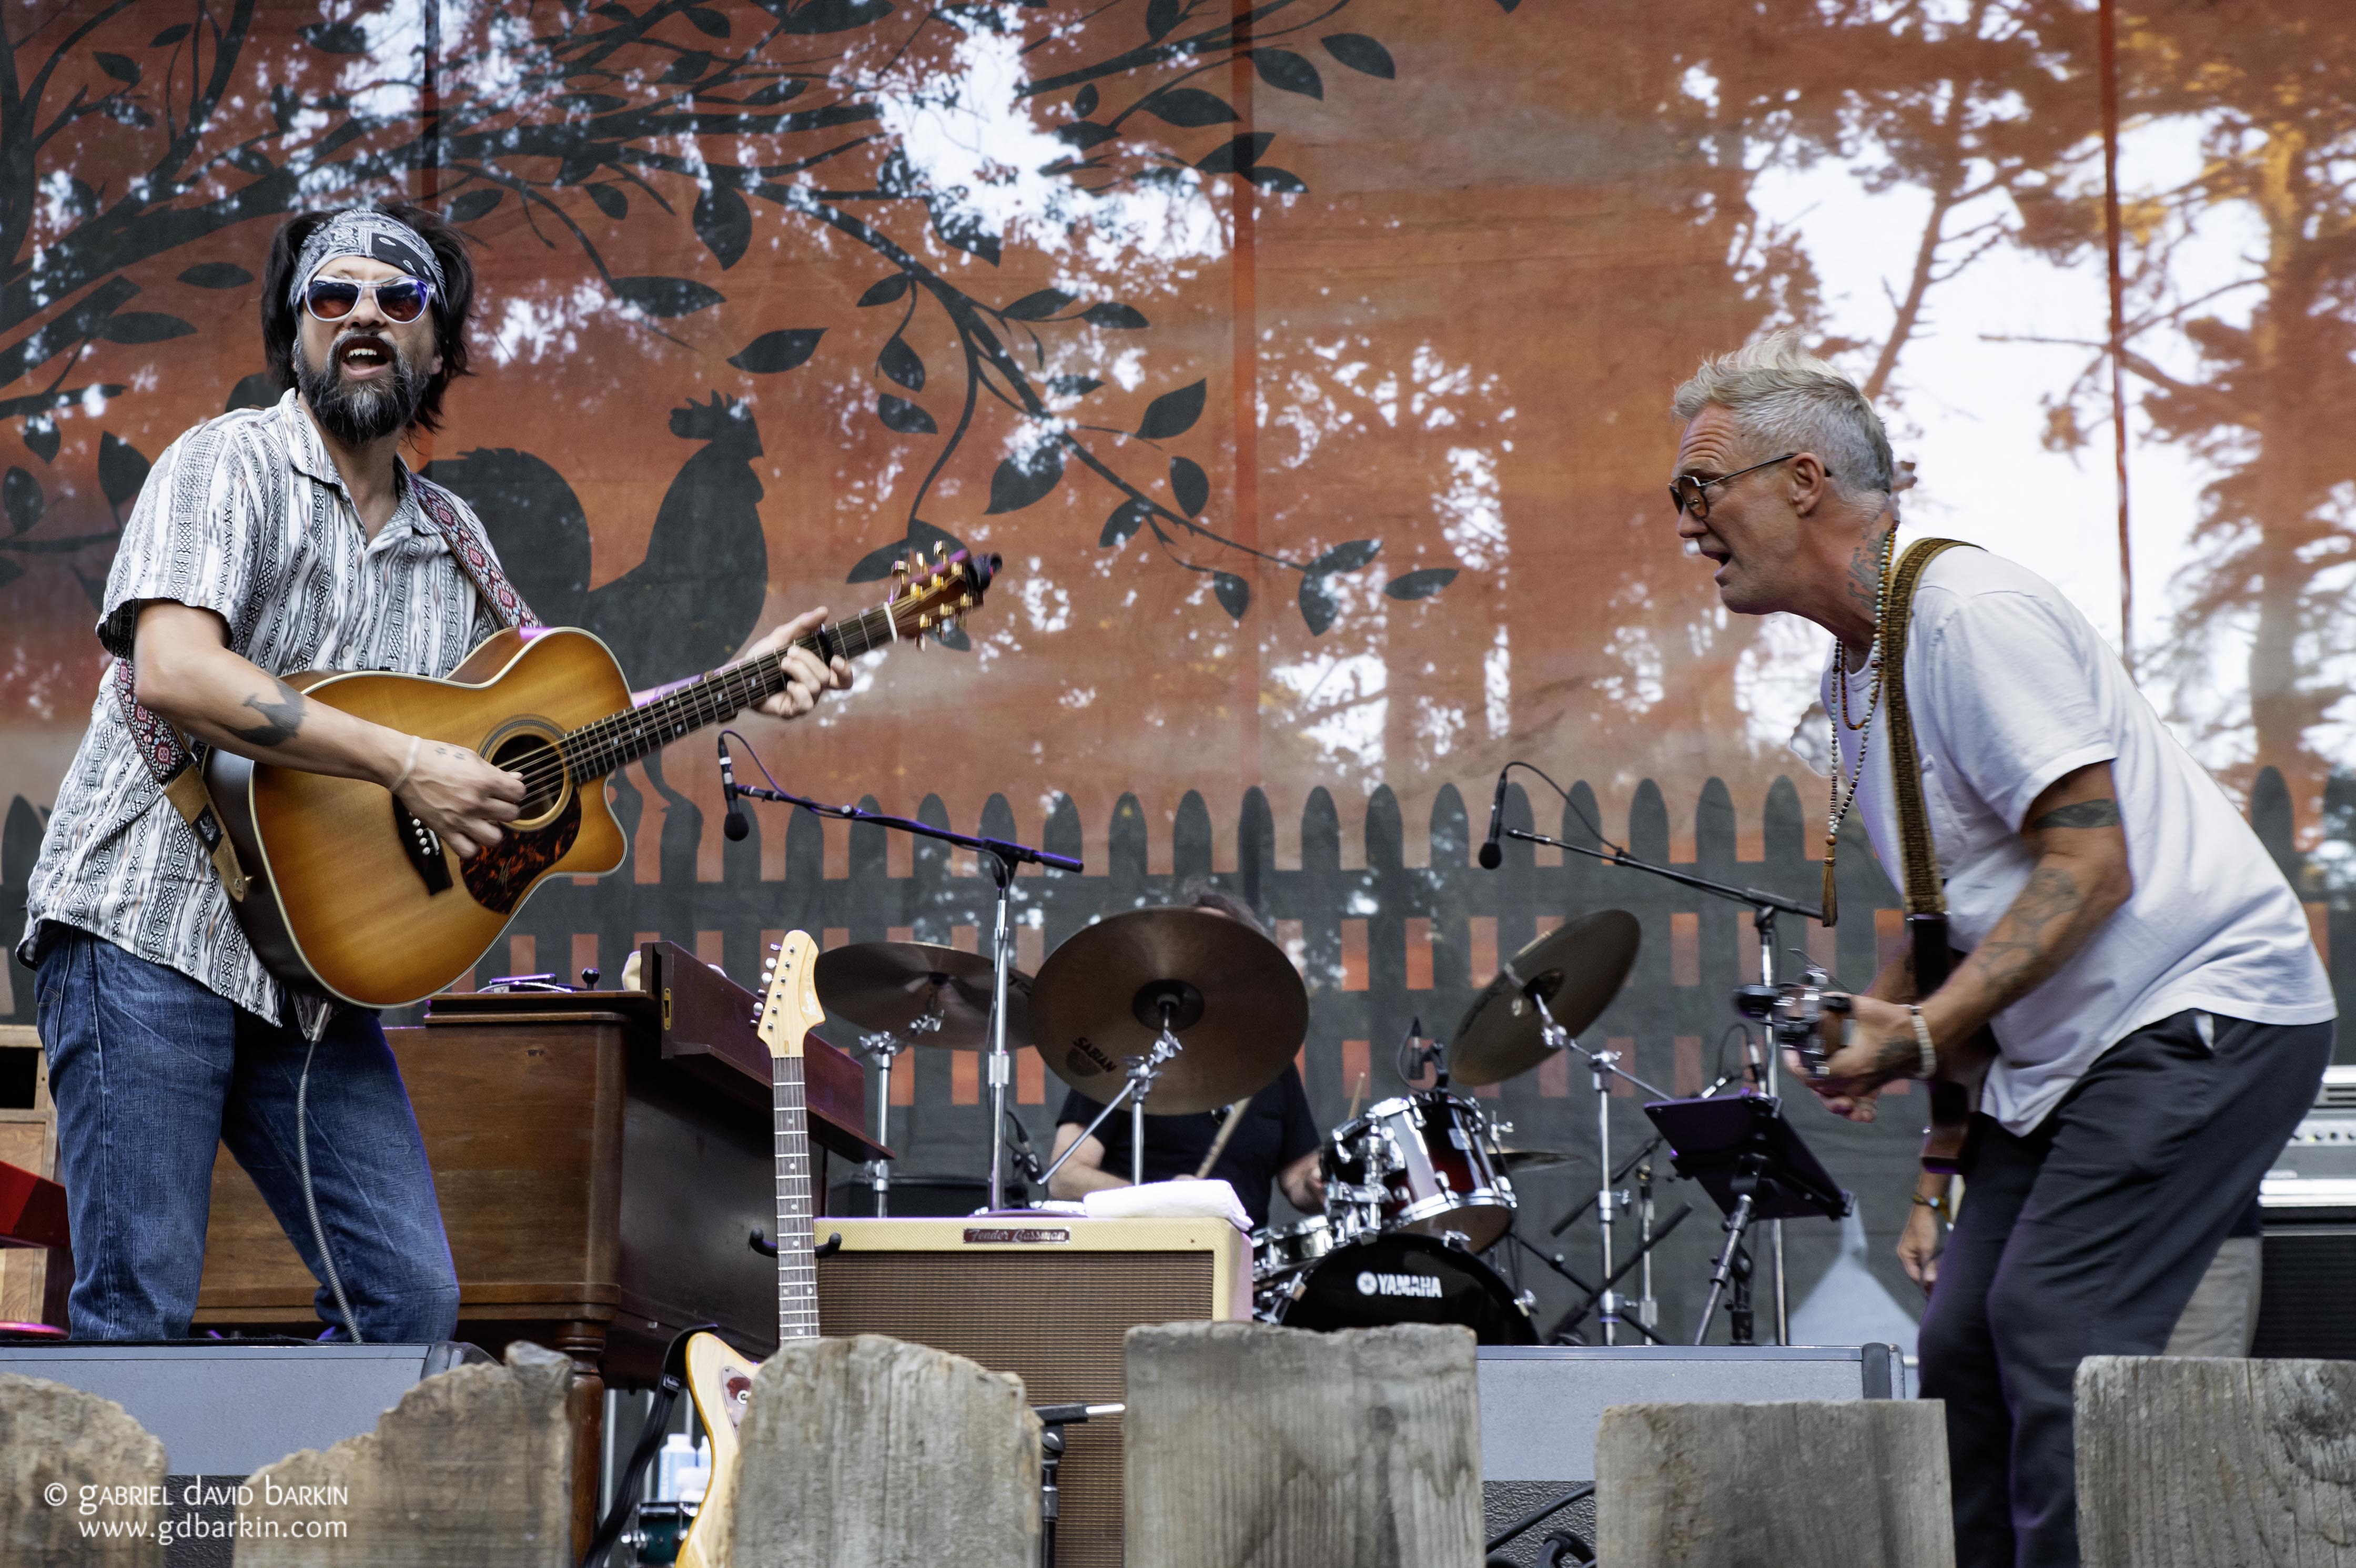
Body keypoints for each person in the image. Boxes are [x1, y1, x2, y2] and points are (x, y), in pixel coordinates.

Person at [17, 205, 851, 1343]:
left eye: (398, 299)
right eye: (333, 296)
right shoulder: (227, 462)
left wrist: (734, 686)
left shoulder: (453, 535)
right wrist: (410, 761)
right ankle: (139, 1523)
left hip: (311, 970)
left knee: (407, 1301)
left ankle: (291, 1518)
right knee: (141, 1309)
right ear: (295, 331)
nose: (363, 315)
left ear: (439, 346)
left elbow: (560, 732)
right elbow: (174, 669)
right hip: (145, 927)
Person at [1667, 331, 2334, 1568]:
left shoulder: (1966, 611)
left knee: (2053, 1324)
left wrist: (1916, 1029)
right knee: (1964, 1336)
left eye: (1697, 489)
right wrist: (1888, 1030)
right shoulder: (1858, 671)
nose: (1684, 524)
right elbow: (1958, 905)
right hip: (2073, 1051)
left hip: (2199, 1011)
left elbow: (2088, 859)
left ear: (1801, 479)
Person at [1047, 886, 1326, 1230]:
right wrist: (1164, 1200)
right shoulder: (1130, 1055)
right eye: (1198, 944)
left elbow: (1298, 1179)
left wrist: (1321, 1182)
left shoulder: (1272, 1065)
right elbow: (1065, 1176)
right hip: (1145, 1254)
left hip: (1246, 1266)